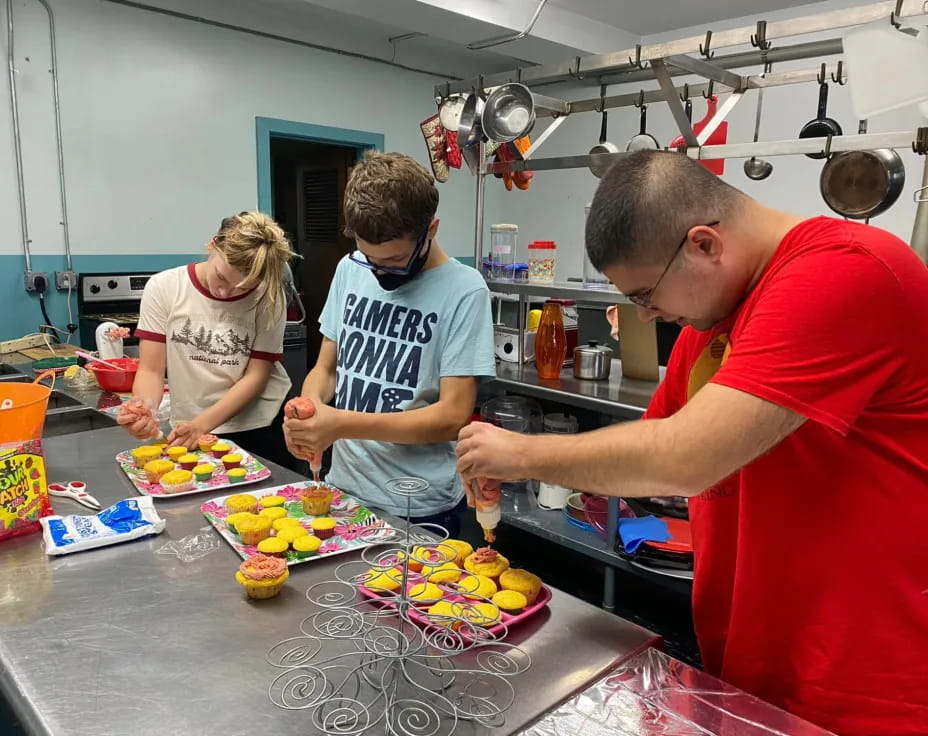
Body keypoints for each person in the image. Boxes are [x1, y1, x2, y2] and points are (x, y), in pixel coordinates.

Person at [457, 150, 928, 736]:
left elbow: (684, 458)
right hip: (751, 655)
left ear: (703, 244)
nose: (648, 316)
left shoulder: (848, 269)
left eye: (645, 295)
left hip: (863, 679)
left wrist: (520, 452)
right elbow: (649, 454)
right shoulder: (712, 323)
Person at [284, 151, 495, 536]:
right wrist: (309, 413)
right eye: (371, 259)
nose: (380, 272)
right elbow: (326, 369)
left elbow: (452, 416)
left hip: (418, 503)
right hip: (345, 490)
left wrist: (341, 424)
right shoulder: (350, 269)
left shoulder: (465, 291)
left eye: (395, 260)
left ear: (431, 229)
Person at [118, 211, 295, 468]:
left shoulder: (268, 297)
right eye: (221, 277)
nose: (225, 291)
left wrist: (201, 425)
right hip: (188, 427)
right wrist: (144, 410)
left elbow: (256, 377)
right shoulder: (165, 287)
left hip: (257, 428)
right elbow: (151, 369)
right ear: (212, 245)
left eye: (244, 288)